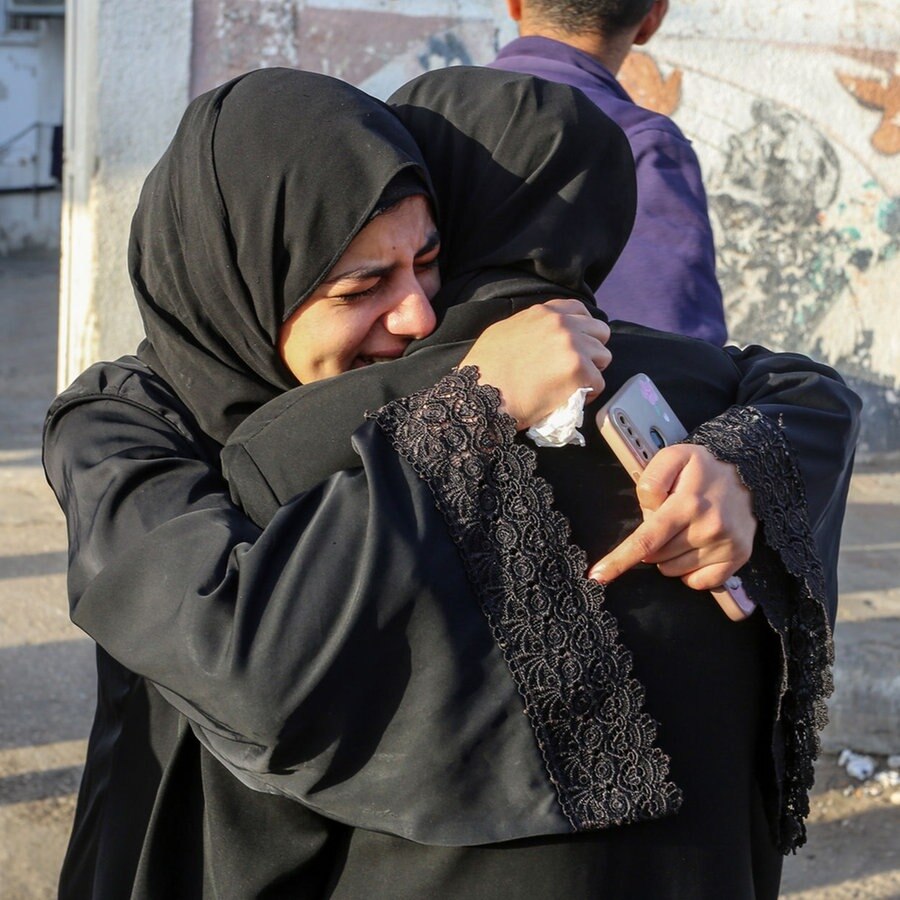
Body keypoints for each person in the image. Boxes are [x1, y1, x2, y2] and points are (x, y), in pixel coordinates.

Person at [42, 66, 858, 898]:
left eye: (430, 261)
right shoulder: (125, 425)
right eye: (362, 287)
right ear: (242, 275)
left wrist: (741, 466)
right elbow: (234, 655)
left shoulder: (421, 387)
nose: (418, 318)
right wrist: (475, 408)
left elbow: (807, 388)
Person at [491, 0, 728, 344]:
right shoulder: (640, 144)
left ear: (514, 5)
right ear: (653, 18)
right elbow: (673, 344)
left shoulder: (420, 114)